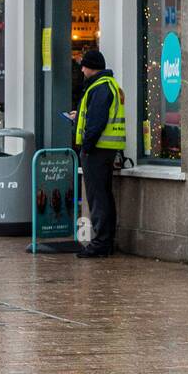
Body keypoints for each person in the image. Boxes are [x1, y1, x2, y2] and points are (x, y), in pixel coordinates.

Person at [68, 49, 125, 258]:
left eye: (84, 65)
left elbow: (96, 123)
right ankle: (105, 241)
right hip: (105, 150)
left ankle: (100, 243)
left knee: (98, 197)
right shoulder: (108, 85)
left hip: (97, 150)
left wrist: (86, 147)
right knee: (104, 196)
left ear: (92, 67)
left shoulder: (100, 88)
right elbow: (94, 117)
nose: (81, 69)